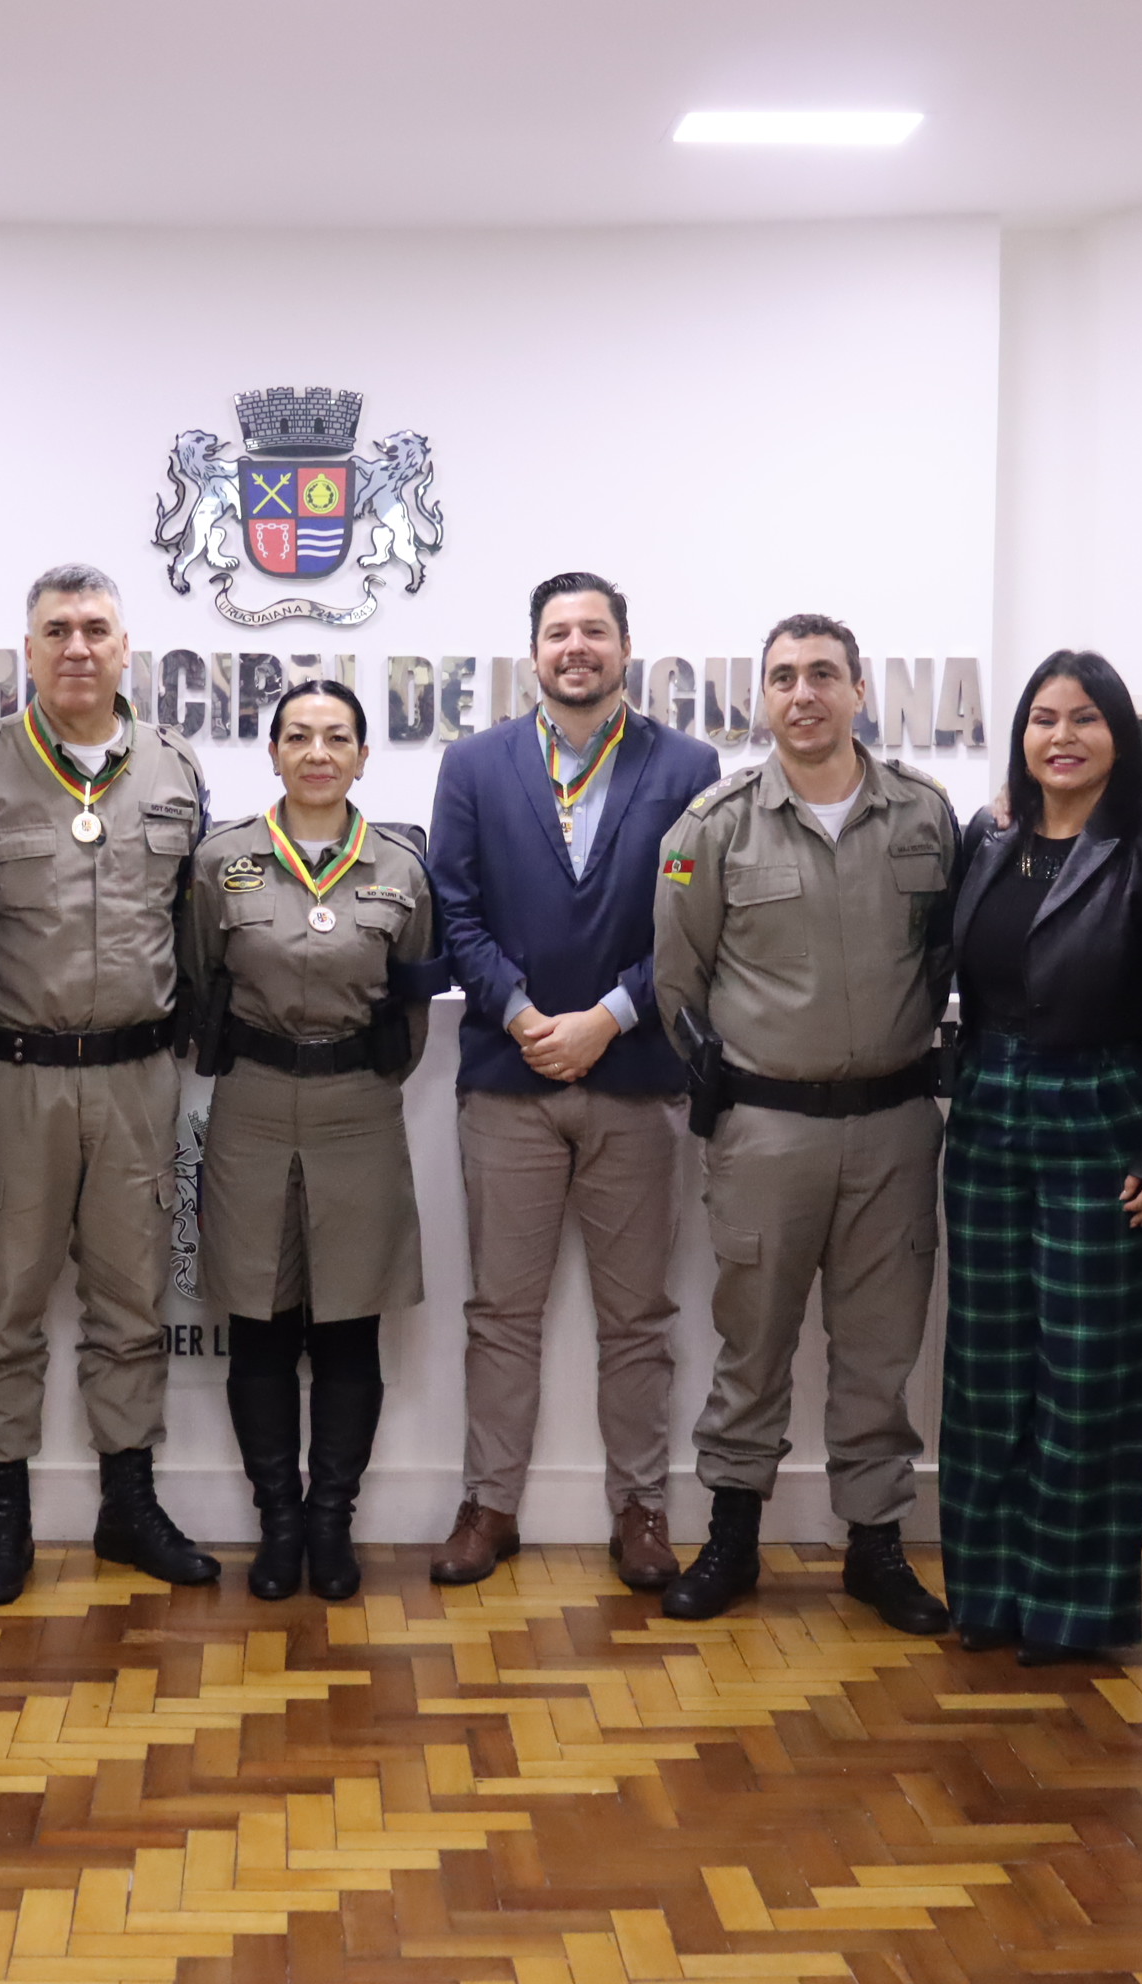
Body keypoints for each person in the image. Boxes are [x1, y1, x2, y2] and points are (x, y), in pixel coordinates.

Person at [651, 615, 957, 1631]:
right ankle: (733, 1539)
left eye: (824, 673)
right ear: (764, 699)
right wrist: (733, 1091)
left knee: (880, 1353)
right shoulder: (715, 825)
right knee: (752, 1348)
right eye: (783, 677)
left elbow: (952, 957)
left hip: (896, 1130)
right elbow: (677, 983)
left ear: (860, 688)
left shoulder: (924, 815)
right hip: (767, 1133)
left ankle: (874, 1547)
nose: (804, 693)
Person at [426, 573, 721, 1588]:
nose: (576, 647)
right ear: (534, 653)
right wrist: (520, 1013)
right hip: (508, 1080)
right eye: (558, 632)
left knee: (637, 1316)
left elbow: (692, 923)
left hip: (637, 1075)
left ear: (625, 647)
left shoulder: (688, 765)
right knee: (500, 1313)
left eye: (594, 630)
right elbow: (455, 911)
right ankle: (490, 1505)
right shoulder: (473, 765)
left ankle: (641, 1509)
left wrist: (607, 1017)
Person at [0, 563, 216, 1604]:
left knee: (133, 1300)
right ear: (31, 650)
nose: (79, 646)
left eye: (97, 627)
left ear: (126, 647)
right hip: (16, 1077)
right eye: (58, 629)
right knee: (5, 1303)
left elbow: (190, 925)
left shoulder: (175, 771)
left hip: (140, 1075)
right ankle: (2, 1517)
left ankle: (126, 1506)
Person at [941, 651, 1142, 1665]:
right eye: (1044, 717)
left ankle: (1069, 1609)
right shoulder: (989, 841)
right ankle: (989, 1593)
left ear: (1118, 735)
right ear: (1021, 733)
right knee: (989, 1367)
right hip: (987, 1106)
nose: (1062, 735)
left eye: (1085, 718)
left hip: (1108, 1109)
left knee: (1088, 1371)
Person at [186, 680, 442, 1602]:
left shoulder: (403, 869)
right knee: (256, 1328)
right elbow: (196, 974)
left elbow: (410, 1003)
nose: (318, 752)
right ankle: (279, 1525)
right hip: (251, 1104)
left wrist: (356, 1077)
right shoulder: (224, 861)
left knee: (347, 1331)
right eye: (299, 736)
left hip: (358, 1110)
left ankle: (333, 1521)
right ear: (274, 752)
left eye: (337, 737)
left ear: (365, 756)